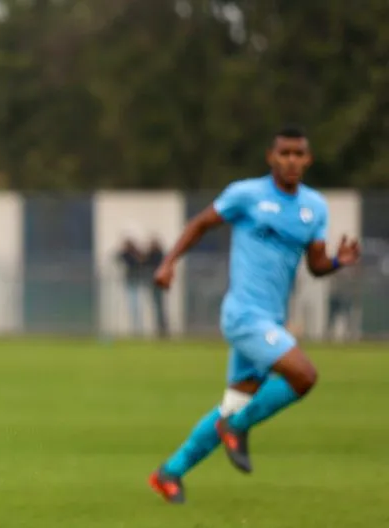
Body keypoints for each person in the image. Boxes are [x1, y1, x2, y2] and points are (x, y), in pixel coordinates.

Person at [148, 126, 360, 503]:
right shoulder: (247, 195)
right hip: (244, 314)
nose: (291, 160)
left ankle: (170, 473)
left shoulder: (314, 207)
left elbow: (315, 265)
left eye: (298, 154)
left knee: (236, 402)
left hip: (270, 321)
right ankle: (238, 427)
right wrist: (168, 263)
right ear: (270, 157)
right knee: (304, 376)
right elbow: (200, 223)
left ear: (308, 160)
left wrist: (336, 263)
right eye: (284, 153)